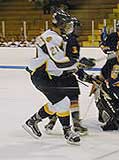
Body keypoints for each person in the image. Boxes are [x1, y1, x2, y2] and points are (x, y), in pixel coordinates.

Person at [22, 9, 93, 145]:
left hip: (48, 75)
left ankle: (33, 121)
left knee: (57, 104)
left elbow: (60, 62)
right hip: (41, 76)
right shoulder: (52, 38)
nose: (69, 27)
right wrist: (79, 63)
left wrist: (78, 65)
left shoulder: (53, 36)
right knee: (63, 103)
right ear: (60, 24)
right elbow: (59, 62)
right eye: (66, 24)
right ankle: (67, 132)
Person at [44, 17, 92, 136]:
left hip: (58, 75)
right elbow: (71, 61)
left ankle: (51, 123)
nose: (78, 30)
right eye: (76, 27)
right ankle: (76, 125)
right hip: (66, 74)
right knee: (72, 99)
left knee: (60, 100)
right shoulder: (71, 40)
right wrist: (82, 70)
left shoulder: (63, 38)